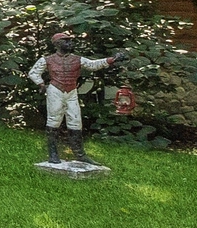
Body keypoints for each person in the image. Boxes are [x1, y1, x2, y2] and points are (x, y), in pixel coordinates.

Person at [28, 32, 126, 164]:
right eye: (66, 41)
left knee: (75, 120)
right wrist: (40, 84)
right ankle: (53, 154)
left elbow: (93, 65)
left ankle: (80, 154)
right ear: (57, 44)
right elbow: (34, 72)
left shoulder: (77, 59)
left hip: (71, 91)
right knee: (54, 120)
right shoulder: (47, 60)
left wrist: (111, 60)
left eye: (70, 41)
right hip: (55, 91)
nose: (70, 43)